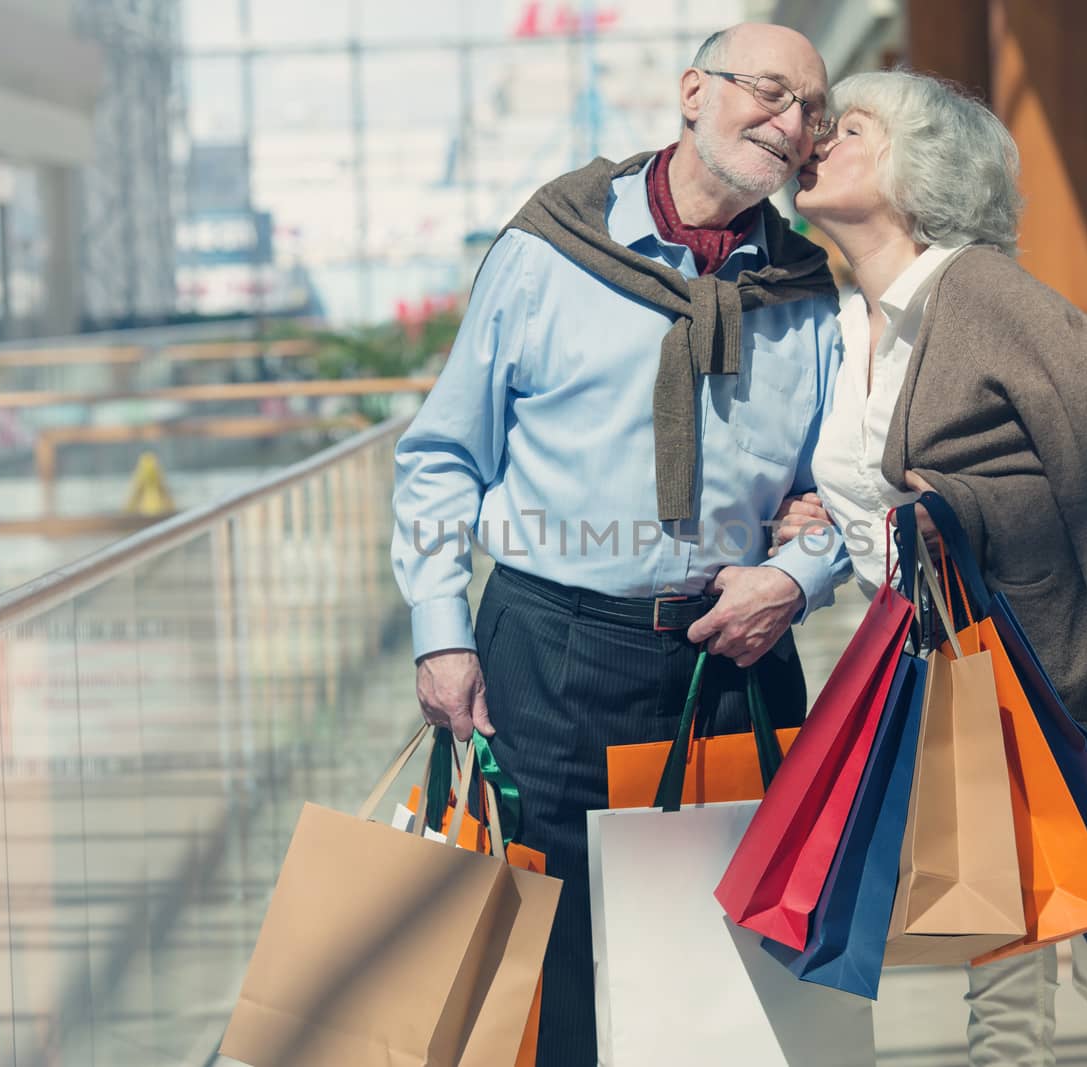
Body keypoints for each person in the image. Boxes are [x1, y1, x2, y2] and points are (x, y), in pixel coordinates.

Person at [391, 24, 849, 1065]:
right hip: (545, 653)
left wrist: (796, 575)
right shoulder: (547, 249)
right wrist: (438, 629)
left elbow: (836, 491)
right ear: (693, 91)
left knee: (724, 994)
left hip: (730, 664)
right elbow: (439, 457)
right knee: (538, 978)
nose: (789, 124)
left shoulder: (809, 290)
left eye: (810, 110)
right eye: (769, 92)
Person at [773, 70, 1087, 1066]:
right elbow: (887, 493)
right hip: (965, 679)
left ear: (918, 169)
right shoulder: (852, 322)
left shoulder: (978, 288)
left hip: (1074, 675)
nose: (817, 139)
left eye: (847, 128)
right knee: (998, 949)